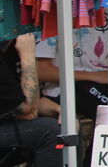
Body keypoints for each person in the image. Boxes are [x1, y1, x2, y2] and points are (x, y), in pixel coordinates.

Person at [0, 35, 61, 167]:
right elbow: (27, 108)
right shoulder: (21, 51)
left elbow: (33, 103)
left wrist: (61, 111)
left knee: (68, 125)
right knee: (51, 131)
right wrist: (28, 57)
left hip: (8, 121)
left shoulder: (11, 50)